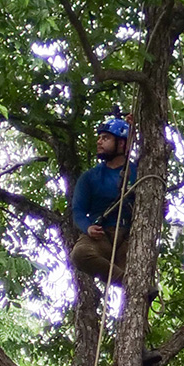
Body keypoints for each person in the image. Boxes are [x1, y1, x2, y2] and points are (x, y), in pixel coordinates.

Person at [70, 117, 137, 284]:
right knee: (80, 254)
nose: (99, 142)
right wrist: (88, 227)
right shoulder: (90, 177)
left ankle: (134, 286)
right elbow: (78, 210)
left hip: (129, 236)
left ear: (121, 143)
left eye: (105, 138)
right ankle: (127, 283)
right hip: (102, 235)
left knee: (138, 272)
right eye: (99, 138)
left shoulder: (138, 171)